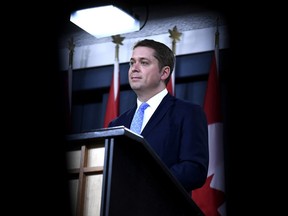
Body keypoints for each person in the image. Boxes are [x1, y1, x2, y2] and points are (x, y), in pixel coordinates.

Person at [108, 39, 209, 194]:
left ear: (164, 72)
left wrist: (145, 181)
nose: (134, 69)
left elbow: (194, 169)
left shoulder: (188, 113)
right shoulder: (116, 124)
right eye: (131, 62)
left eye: (144, 62)